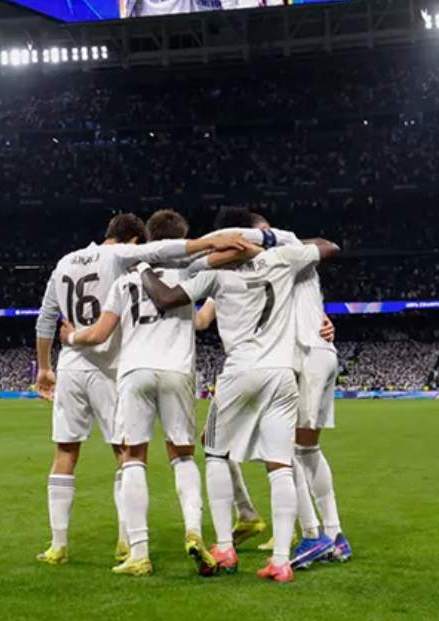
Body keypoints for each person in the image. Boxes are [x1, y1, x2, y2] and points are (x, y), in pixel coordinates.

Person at [33, 215, 261, 568]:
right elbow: (198, 283)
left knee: (85, 452)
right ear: (135, 242)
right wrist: (245, 244)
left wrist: (49, 362)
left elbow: (52, 319)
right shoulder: (165, 267)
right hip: (131, 369)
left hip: (88, 366)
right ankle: (150, 537)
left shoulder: (83, 267)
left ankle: (72, 546)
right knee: (160, 456)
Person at [139, 235, 339, 583]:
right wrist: (266, 243)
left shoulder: (216, 274)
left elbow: (166, 298)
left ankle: (225, 547)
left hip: (239, 374)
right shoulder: (281, 261)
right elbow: (329, 247)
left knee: (215, 452)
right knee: (281, 464)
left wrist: (141, 266)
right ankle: (281, 562)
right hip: (281, 375)